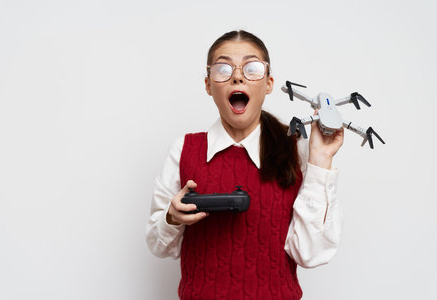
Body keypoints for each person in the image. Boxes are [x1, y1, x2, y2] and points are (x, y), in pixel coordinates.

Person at [146, 30, 344, 300]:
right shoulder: (184, 149)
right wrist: (171, 217)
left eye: (252, 68)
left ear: (269, 83)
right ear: (208, 85)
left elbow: (311, 253)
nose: (237, 76)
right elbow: (158, 245)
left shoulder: (295, 148)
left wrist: (321, 160)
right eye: (223, 68)